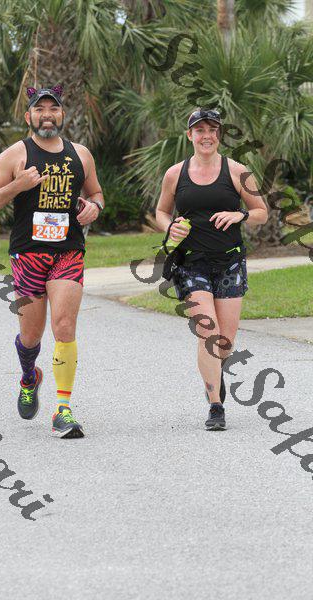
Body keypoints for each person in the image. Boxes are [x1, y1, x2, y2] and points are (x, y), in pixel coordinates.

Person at [0, 85, 104, 438]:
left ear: (62, 114)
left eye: (53, 109)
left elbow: (96, 192)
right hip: (28, 255)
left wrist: (95, 207)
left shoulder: (81, 155)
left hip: (68, 252)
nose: (47, 115)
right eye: (39, 109)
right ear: (28, 116)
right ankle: (29, 376)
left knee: (64, 326)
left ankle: (63, 409)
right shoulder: (14, 155)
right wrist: (16, 186)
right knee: (31, 336)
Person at [155, 108, 268, 430]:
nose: (206, 136)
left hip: (229, 261)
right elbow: (161, 212)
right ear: (189, 135)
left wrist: (239, 215)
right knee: (208, 332)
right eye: (200, 130)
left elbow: (261, 211)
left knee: (225, 341)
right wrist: (171, 226)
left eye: (212, 130)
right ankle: (215, 406)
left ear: (219, 134)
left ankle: (216, 373)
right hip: (191, 263)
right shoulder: (175, 174)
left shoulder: (238, 172)